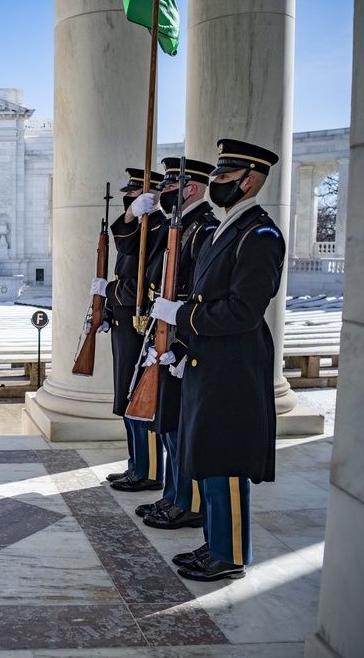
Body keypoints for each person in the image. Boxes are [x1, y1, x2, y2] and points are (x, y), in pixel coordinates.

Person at [151, 139, 284, 581]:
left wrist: (182, 315)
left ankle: (229, 556)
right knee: (206, 455)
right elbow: (208, 297)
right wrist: (181, 345)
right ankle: (214, 543)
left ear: (248, 181)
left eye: (224, 179)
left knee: (224, 460)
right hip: (208, 357)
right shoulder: (229, 228)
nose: (215, 186)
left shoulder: (260, 235)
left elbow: (243, 311)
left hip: (233, 363)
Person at [135, 157, 218, 531]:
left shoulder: (204, 229)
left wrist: (181, 345)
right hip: (165, 332)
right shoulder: (178, 227)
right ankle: (174, 495)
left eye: (169, 188)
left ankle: (190, 503)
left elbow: (201, 294)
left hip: (183, 339)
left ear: (192, 189)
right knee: (168, 424)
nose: (162, 194)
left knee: (182, 428)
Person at [91, 168, 166, 492]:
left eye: (135, 195)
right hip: (124, 327)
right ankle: (136, 464)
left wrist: (108, 291)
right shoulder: (140, 230)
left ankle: (148, 471)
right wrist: (107, 312)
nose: (130, 199)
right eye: (130, 195)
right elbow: (123, 259)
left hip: (140, 328)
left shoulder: (160, 229)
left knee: (140, 397)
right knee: (126, 395)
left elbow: (143, 287)